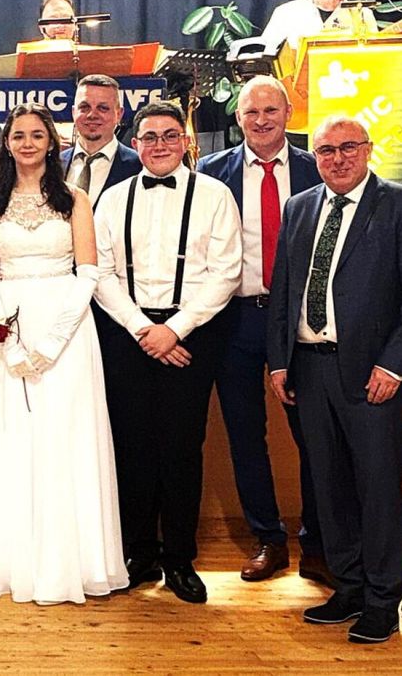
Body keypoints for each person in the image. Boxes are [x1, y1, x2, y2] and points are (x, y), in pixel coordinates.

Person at [0, 104, 126, 604]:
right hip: (10, 328)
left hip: (69, 331)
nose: (28, 143)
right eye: (19, 135)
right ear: (7, 143)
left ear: (51, 142)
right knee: (19, 442)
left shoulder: (75, 200)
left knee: (66, 439)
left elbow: (88, 274)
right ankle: (20, 560)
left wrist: (53, 342)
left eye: (37, 135)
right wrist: (8, 338)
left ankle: (73, 562)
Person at [94, 102, 241, 605]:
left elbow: (226, 272)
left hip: (192, 332)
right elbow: (102, 275)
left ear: (186, 142)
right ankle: (140, 553)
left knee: (182, 448)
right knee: (131, 447)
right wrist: (142, 329)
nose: (159, 144)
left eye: (169, 135)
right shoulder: (112, 200)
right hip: (128, 332)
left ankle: (180, 558)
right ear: (135, 143)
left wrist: (173, 330)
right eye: (149, 136)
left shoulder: (216, 195)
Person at [269, 116, 402, 644]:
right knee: (329, 488)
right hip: (309, 369)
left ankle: (383, 598)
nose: (338, 158)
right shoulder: (299, 208)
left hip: (373, 375)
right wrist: (279, 362)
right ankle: (347, 588)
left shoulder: (395, 206)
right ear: (314, 155)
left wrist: (394, 364)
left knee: (378, 490)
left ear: (368, 150)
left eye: (349, 147)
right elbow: (283, 291)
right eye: (326, 150)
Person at [196, 76, 326, 585]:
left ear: (288, 113)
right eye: (251, 112)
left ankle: (318, 542)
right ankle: (268, 539)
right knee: (246, 433)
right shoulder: (211, 173)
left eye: (271, 110)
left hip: (300, 321)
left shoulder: (320, 169)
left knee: (312, 433)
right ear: (239, 119)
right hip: (237, 318)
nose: (262, 120)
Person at [60, 75, 142, 210]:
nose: (92, 115)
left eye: (103, 108)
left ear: (119, 114)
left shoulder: (138, 167)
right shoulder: (53, 165)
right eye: (84, 107)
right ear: (74, 112)